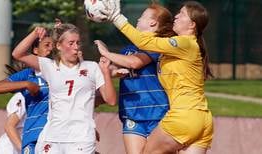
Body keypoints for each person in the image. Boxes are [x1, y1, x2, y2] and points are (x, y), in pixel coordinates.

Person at [99, 0, 214, 153]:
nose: (176, 16)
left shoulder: (184, 43)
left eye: (182, 14)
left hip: (184, 116)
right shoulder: (186, 46)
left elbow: (143, 41)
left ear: (192, 25)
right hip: (203, 119)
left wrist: (116, 17)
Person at [12, 23, 117, 154]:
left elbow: (111, 100)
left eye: (78, 43)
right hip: (52, 137)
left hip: (81, 138)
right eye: (71, 43)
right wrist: (34, 34)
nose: (76, 47)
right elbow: (18, 54)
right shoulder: (48, 66)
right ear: (58, 46)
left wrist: (105, 71)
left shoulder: (92, 67)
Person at [94, 3, 174, 154]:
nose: (137, 19)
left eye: (142, 16)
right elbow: (121, 65)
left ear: (153, 23)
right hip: (132, 113)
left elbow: (135, 62)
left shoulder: (158, 45)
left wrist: (106, 53)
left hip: (156, 112)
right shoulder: (129, 49)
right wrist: (109, 71)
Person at [0, 30, 54, 154]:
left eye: (53, 46)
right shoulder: (25, 85)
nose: (50, 50)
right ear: (35, 50)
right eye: (46, 45)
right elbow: (9, 126)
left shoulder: (58, 75)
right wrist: (23, 149)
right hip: (12, 148)